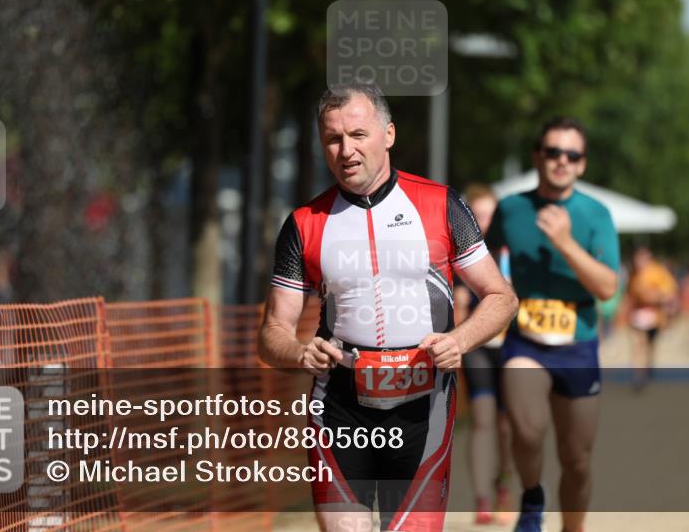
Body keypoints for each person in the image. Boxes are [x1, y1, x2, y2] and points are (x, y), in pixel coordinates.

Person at [258, 81, 517, 532]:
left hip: (424, 406)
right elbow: (271, 333)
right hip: (339, 407)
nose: (346, 150)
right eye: (333, 139)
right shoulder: (303, 223)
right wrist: (299, 351)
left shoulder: (442, 205)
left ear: (389, 135)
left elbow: (501, 297)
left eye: (358, 135)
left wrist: (461, 340)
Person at [485, 116, 619, 532]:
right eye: (553, 152)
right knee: (527, 430)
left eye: (571, 155)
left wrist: (564, 241)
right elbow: (481, 263)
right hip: (525, 340)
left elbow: (607, 286)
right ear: (537, 157)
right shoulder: (511, 209)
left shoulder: (595, 214)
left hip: (578, 344)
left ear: (582, 165)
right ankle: (531, 497)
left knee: (576, 459)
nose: (561, 161)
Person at [452, 184, 514, 524]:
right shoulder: (460, 254)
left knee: (508, 427)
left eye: (490, 214)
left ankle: (504, 481)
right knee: (483, 419)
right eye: (478, 215)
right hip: (477, 347)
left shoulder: (511, 251)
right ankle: (482, 499)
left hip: (511, 347)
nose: (484, 221)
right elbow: (456, 302)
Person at [625, 246, 678, 391]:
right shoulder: (634, 274)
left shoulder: (658, 272)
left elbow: (670, 292)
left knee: (649, 346)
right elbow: (630, 295)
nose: (640, 261)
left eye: (644, 258)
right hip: (637, 316)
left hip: (654, 317)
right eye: (638, 258)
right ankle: (638, 375)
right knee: (638, 345)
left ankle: (646, 369)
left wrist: (655, 297)